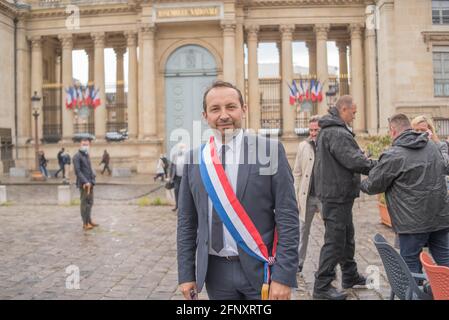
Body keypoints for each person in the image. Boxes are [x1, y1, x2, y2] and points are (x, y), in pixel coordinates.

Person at [177, 80, 299, 300]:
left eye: (231, 107)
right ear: (205, 116)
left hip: (262, 269)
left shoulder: (269, 150)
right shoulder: (194, 159)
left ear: (243, 110)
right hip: (216, 275)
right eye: (215, 109)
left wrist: (284, 276)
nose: (224, 115)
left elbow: (288, 217)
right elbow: (186, 222)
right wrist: (186, 274)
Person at [360, 114, 449, 273]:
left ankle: (416, 295)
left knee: (411, 268)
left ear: (393, 131)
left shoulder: (394, 154)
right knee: (445, 260)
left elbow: (373, 185)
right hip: (439, 218)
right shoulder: (433, 147)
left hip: (411, 224)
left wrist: (356, 183)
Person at [313, 95, 376, 300]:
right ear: (343, 110)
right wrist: (376, 165)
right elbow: (353, 160)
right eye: (354, 112)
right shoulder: (337, 133)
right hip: (336, 195)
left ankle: (350, 275)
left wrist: (360, 157)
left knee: (346, 238)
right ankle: (322, 287)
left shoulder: (331, 130)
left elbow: (349, 157)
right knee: (334, 241)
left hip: (338, 194)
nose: (355, 115)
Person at [293, 115, 322, 274]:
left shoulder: (328, 145)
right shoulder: (303, 146)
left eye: (316, 130)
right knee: (302, 230)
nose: (313, 133)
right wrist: (297, 194)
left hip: (325, 196)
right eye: (310, 130)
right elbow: (297, 172)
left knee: (330, 232)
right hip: (307, 196)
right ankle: (298, 263)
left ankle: (328, 264)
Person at [73, 137, 98, 231]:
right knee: (84, 204)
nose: (85, 146)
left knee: (90, 203)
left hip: (90, 183)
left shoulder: (86, 155)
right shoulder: (77, 156)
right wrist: (85, 181)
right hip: (84, 184)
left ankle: (89, 220)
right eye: (84, 144)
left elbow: (89, 169)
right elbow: (78, 171)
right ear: (80, 145)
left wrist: (93, 177)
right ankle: (85, 223)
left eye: (87, 144)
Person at [170, 143, 186, 212]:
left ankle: (183, 206)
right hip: (176, 177)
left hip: (184, 178)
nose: (181, 148)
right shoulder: (175, 156)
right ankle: (177, 205)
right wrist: (170, 177)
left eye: (182, 147)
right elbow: (172, 166)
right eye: (180, 147)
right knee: (176, 190)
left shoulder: (187, 156)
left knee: (184, 192)